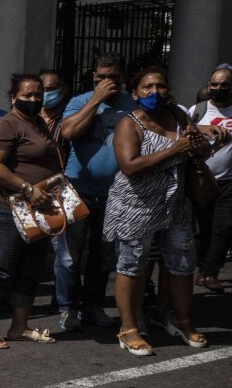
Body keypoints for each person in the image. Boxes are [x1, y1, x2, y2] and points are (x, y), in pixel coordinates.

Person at [104, 66, 211, 357]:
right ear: (135, 94)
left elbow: (198, 152)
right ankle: (128, 329)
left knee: (181, 265)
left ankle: (181, 320)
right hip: (136, 207)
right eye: (147, 87)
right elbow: (129, 166)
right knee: (131, 266)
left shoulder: (178, 115)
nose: (155, 92)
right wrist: (174, 150)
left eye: (160, 86)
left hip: (175, 205)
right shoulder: (129, 124)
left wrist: (199, 145)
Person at [0, 74, 63, 348]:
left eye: (38, 95)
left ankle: (19, 327)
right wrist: (28, 189)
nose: (35, 100)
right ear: (13, 97)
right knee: (0, 266)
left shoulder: (38, 124)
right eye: (27, 95)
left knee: (30, 268)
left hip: (38, 208)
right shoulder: (7, 125)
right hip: (6, 207)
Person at [57, 53, 135, 330]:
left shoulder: (133, 106)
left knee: (103, 257)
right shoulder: (80, 101)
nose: (106, 82)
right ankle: (68, 308)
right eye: (100, 77)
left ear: (123, 78)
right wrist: (96, 100)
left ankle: (93, 306)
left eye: (112, 77)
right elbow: (68, 132)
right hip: (77, 188)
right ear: (93, 77)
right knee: (69, 256)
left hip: (115, 192)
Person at [191, 63, 232, 292]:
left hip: (229, 181)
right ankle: (201, 268)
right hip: (202, 180)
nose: (219, 88)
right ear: (208, 86)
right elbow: (182, 132)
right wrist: (202, 127)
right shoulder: (197, 110)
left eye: (225, 85)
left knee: (224, 226)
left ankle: (211, 272)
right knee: (202, 229)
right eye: (215, 84)